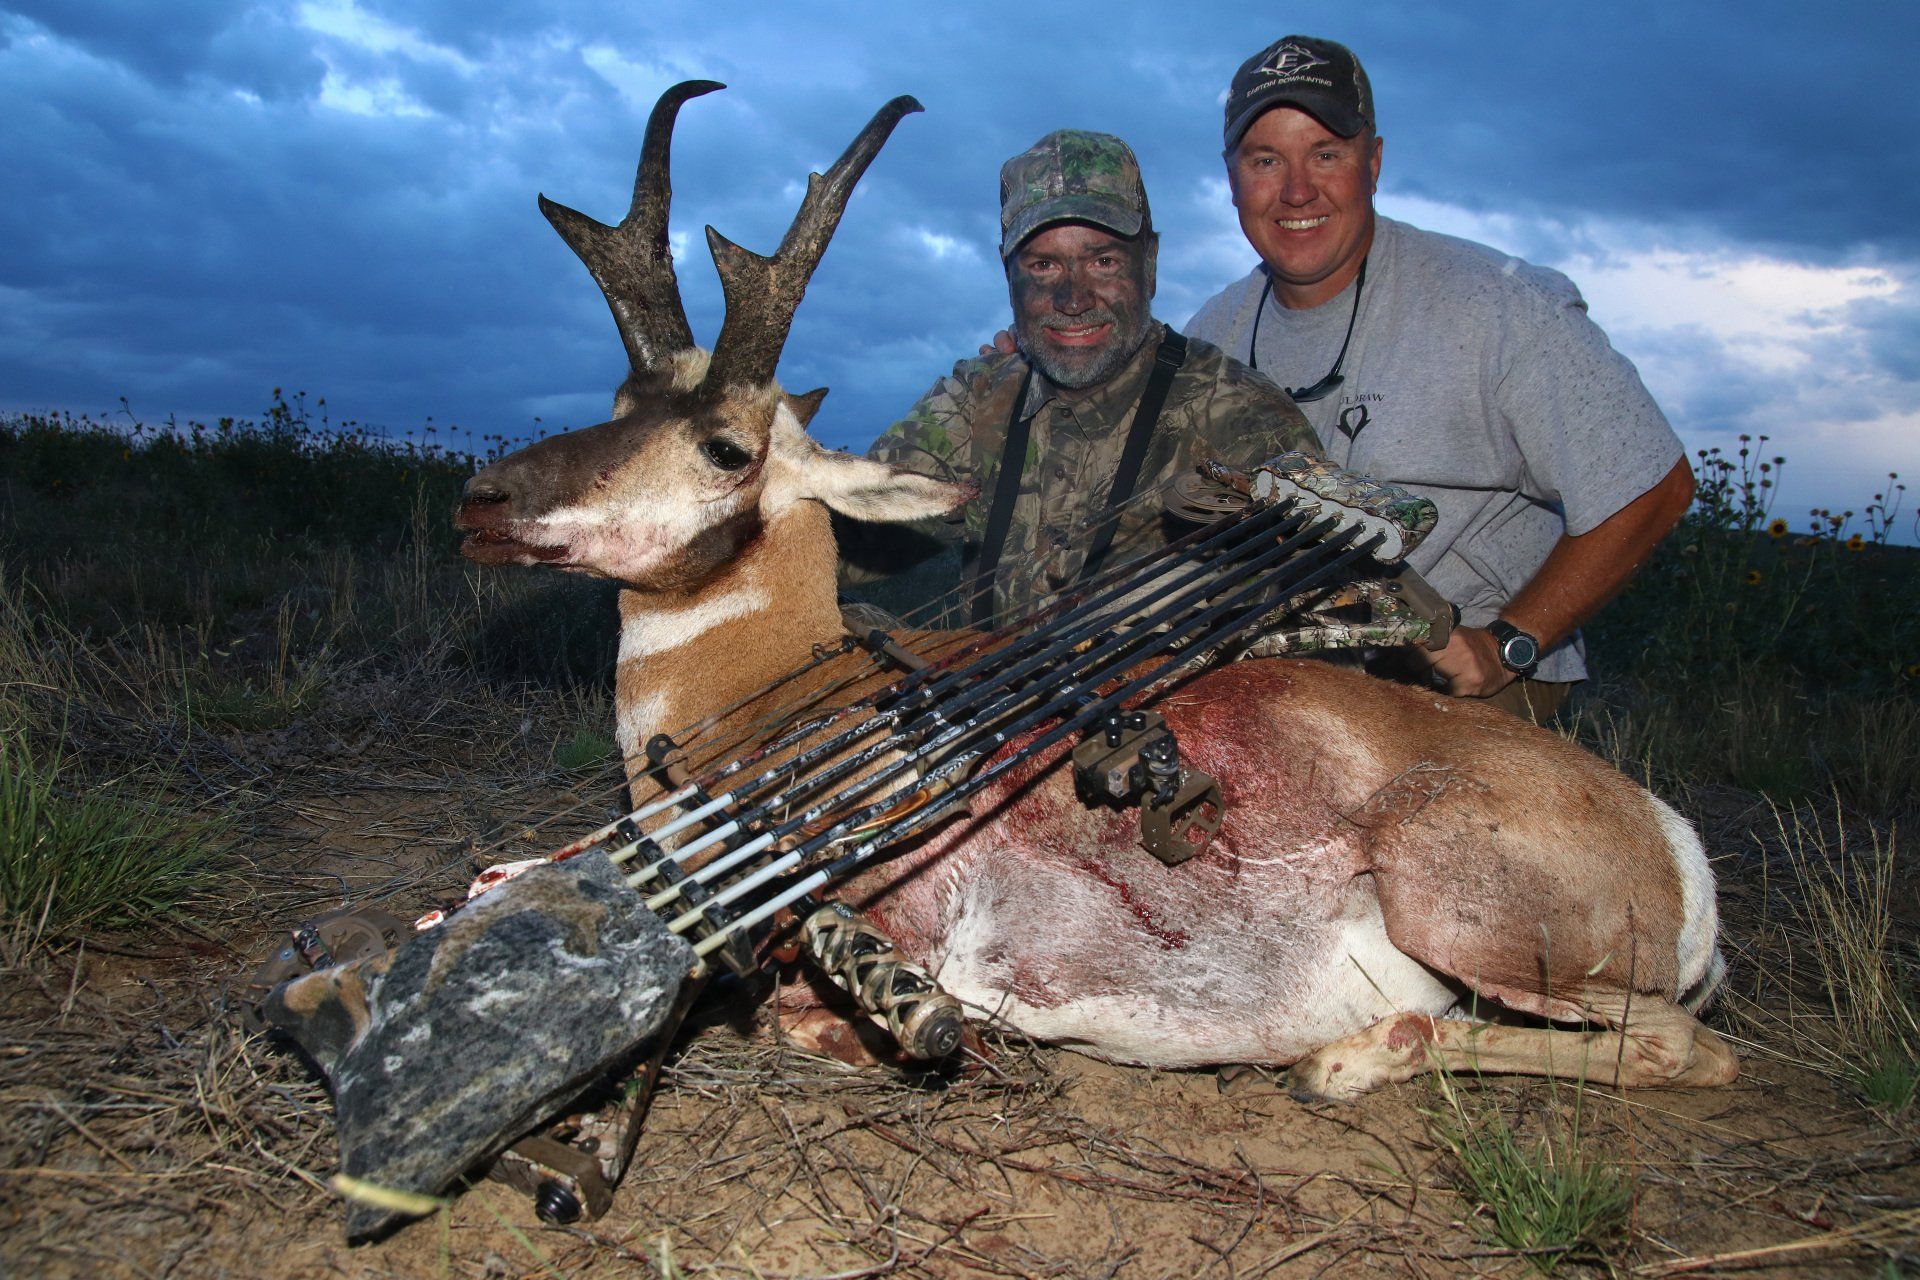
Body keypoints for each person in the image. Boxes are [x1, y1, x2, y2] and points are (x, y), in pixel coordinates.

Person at [1185, 35, 1695, 722]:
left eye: (1326, 154)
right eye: (1266, 160)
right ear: (1232, 178)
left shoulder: (1497, 305)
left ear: (1373, 162)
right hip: (1281, 672)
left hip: (1451, 675)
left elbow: (1654, 486)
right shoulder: (1210, 336)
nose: (1297, 190)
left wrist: (1508, 644)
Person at [845, 129, 1318, 625]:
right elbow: (846, 537)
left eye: (1103, 261)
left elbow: (1326, 631)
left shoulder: (1248, 425)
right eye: (1044, 265)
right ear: (1009, 276)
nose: (1073, 299)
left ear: (1149, 264)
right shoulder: (974, 401)